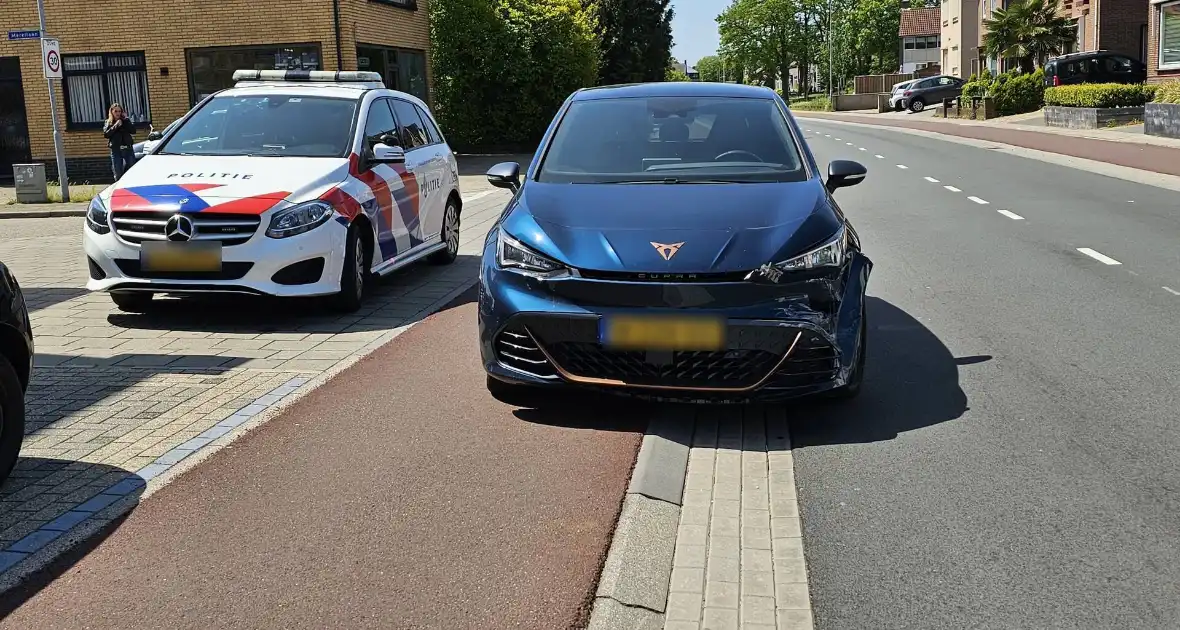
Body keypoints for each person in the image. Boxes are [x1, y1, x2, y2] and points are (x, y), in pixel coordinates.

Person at [103, 103, 136, 180]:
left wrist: (126, 120)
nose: (118, 113)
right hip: (116, 150)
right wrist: (116, 125)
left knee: (132, 171)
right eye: (116, 111)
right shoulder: (108, 122)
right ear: (112, 112)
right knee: (118, 172)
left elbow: (133, 131)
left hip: (128, 149)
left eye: (119, 111)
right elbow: (106, 134)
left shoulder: (125, 121)